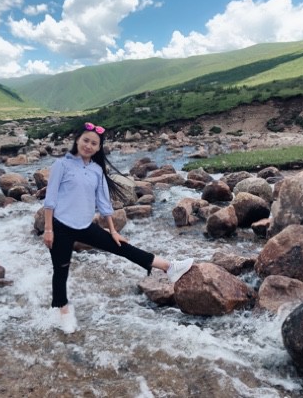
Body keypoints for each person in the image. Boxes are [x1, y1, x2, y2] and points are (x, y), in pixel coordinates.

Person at [43, 122, 194, 334]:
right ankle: (63, 312)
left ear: (98, 148)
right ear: (77, 140)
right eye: (85, 140)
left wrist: (114, 231)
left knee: (122, 247)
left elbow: (104, 203)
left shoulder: (96, 170)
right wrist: (48, 229)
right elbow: (50, 200)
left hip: (85, 226)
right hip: (61, 227)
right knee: (61, 270)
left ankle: (169, 267)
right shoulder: (62, 165)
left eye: (93, 143)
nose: (88, 145)